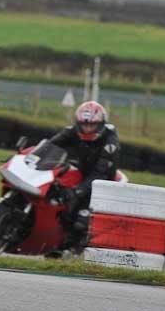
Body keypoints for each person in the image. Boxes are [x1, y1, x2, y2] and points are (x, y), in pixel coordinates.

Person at [50, 100, 121, 250]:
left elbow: (100, 173)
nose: (87, 129)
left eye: (92, 125)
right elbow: (51, 145)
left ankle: (73, 249)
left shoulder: (110, 141)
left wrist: (79, 191)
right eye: (84, 124)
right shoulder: (72, 131)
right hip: (80, 172)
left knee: (80, 221)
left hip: (102, 183)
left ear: (100, 124)